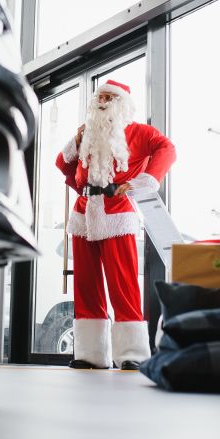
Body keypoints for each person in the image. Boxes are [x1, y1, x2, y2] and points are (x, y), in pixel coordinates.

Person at [55, 79, 176, 370]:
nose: (103, 101)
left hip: (118, 213)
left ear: (121, 103)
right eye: (101, 96)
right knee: (86, 284)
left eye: (110, 97)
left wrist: (144, 182)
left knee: (122, 283)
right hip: (84, 214)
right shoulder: (87, 135)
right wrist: (75, 140)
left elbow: (167, 149)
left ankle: (132, 353)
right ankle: (91, 354)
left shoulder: (138, 132)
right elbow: (62, 163)